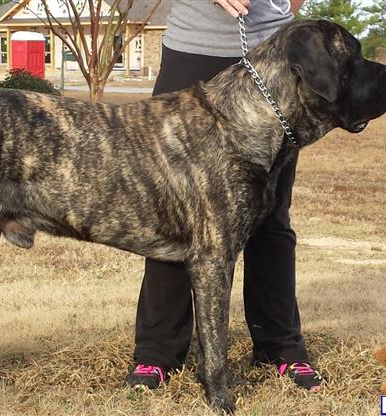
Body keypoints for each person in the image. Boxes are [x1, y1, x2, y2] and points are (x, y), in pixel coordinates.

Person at [126, 0, 323, 392]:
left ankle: (279, 345)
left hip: (275, 58)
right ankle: (158, 351)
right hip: (192, 51)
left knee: (271, 213)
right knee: (174, 209)